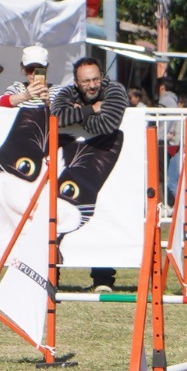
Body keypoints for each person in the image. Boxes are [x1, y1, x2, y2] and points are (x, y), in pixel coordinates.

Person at [51, 57, 130, 292]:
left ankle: (103, 279)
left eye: (96, 79)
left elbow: (108, 124)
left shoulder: (115, 89)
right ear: (76, 83)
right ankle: (52, 278)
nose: (93, 85)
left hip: (106, 158)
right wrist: (91, 110)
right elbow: (57, 118)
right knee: (58, 218)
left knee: (104, 216)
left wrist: (79, 115)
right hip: (71, 161)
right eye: (86, 81)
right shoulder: (66, 92)